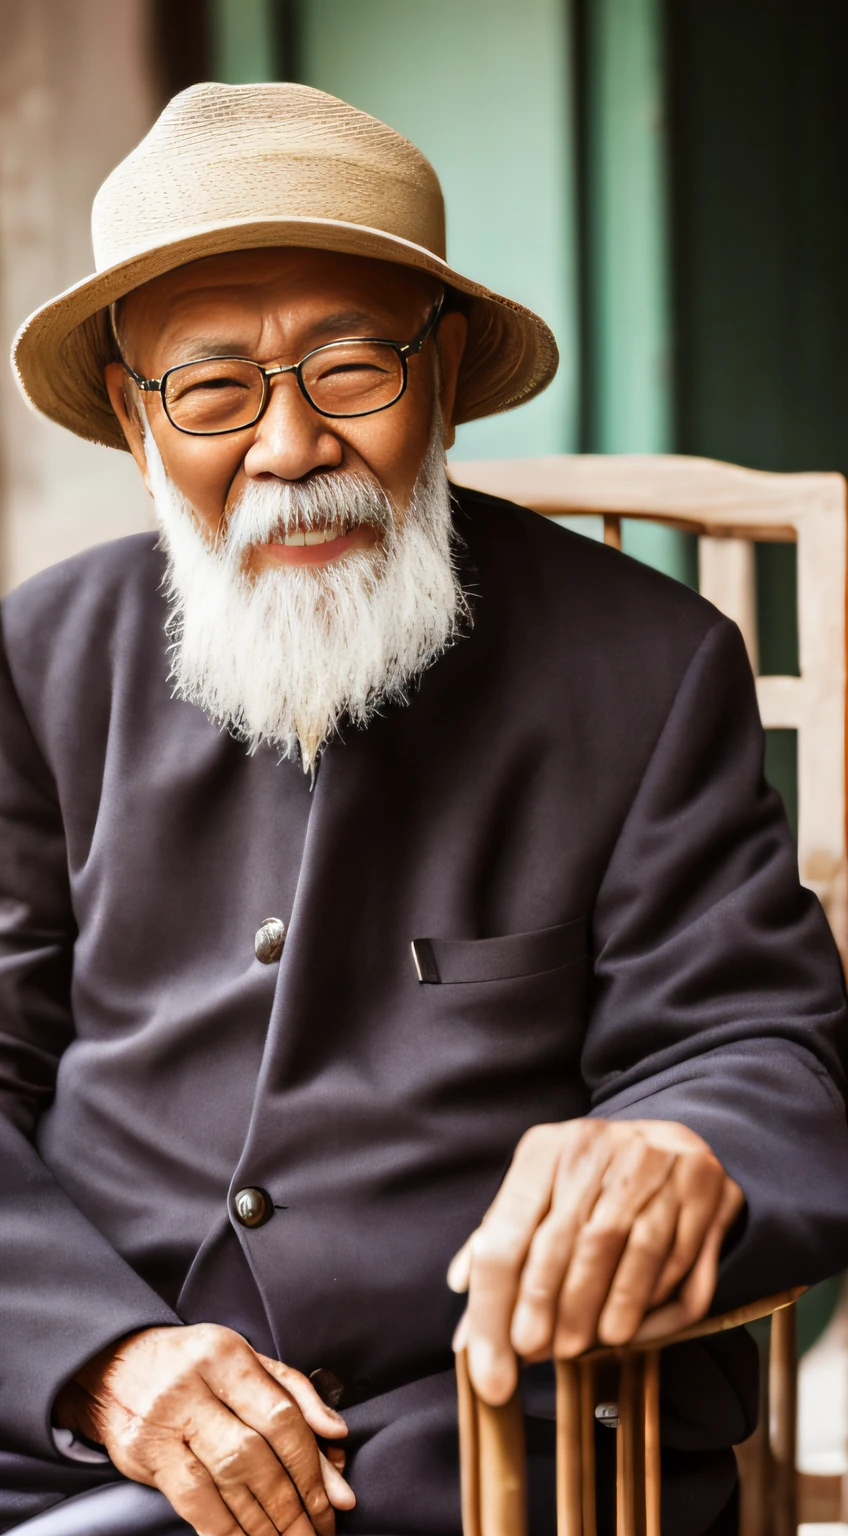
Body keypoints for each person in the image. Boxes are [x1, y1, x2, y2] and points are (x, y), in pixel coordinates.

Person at [2, 81, 847, 1536]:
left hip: (488, 1447)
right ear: (141, 428)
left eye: (351, 372)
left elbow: (757, 1044)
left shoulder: (644, 665)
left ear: (445, 375)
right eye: (212, 391)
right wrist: (100, 1364)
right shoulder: (40, 660)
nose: (287, 447)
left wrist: (678, 1146)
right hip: (91, 1435)